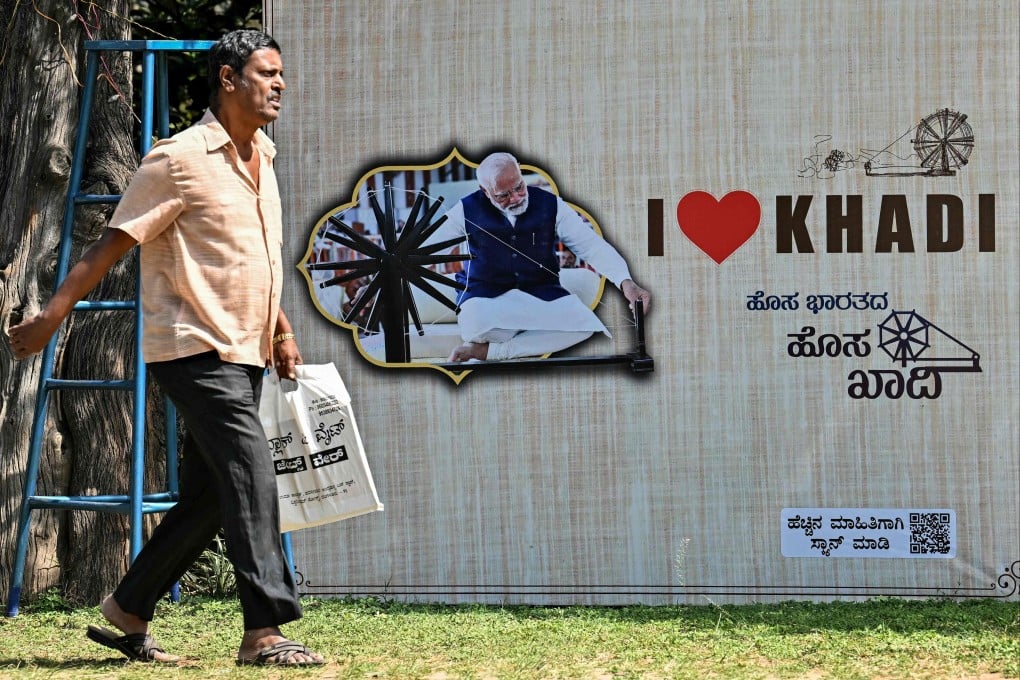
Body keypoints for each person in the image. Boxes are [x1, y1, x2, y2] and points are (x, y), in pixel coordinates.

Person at [8, 30, 324, 666]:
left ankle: (127, 610)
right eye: (267, 74)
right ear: (229, 79)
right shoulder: (177, 159)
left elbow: (253, 262)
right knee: (252, 474)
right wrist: (51, 316)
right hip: (193, 349)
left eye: (281, 74)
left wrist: (282, 330)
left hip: (247, 348)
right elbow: (110, 245)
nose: (280, 85)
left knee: (215, 491)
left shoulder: (263, 154)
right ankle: (264, 631)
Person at [439, 152, 651, 362]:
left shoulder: (551, 204)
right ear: (485, 191)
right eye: (503, 195)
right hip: (486, 299)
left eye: (519, 187)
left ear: (520, 172)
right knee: (479, 327)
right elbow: (430, 243)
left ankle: (489, 352)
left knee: (585, 327)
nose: (515, 198)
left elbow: (590, 245)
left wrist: (626, 282)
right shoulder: (465, 209)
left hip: (539, 295)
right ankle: (493, 344)